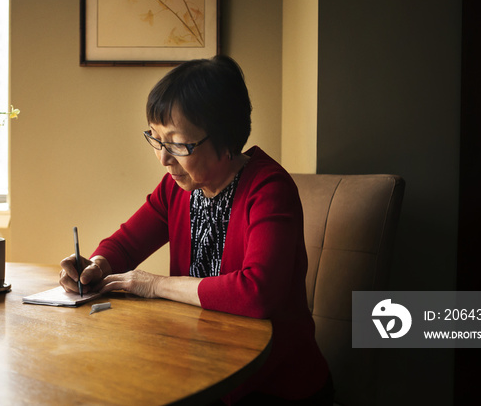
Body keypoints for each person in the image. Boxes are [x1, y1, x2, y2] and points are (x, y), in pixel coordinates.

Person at [59, 55, 333, 405]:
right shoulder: (177, 188)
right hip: (203, 370)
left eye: (177, 144)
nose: (163, 158)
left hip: (274, 385)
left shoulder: (268, 189)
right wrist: (95, 264)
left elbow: (257, 293)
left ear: (226, 139)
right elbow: (126, 244)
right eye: (156, 139)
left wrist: (155, 284)